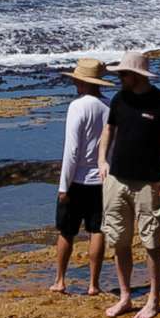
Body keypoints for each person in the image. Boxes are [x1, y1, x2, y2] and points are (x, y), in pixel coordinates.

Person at [99, 51, 160, 318]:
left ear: (136, 75)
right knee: (119, 240)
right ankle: (125, 296)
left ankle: (153, 300)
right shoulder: (119, 99)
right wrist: (102, 160)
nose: (120, 78)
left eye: (123, 74)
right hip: (116, 180)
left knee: (151, 242)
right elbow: (108, 129)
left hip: (149, 184)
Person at [54, 58, 111, 296]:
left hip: (78, 178)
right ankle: (94, 284)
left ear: (82, 81)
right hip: (103, 177)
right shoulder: (110, 106)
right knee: (97, 230)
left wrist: (63, 185)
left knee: (66, 231)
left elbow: (72, 150)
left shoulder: (78, 106)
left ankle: (60, 279)